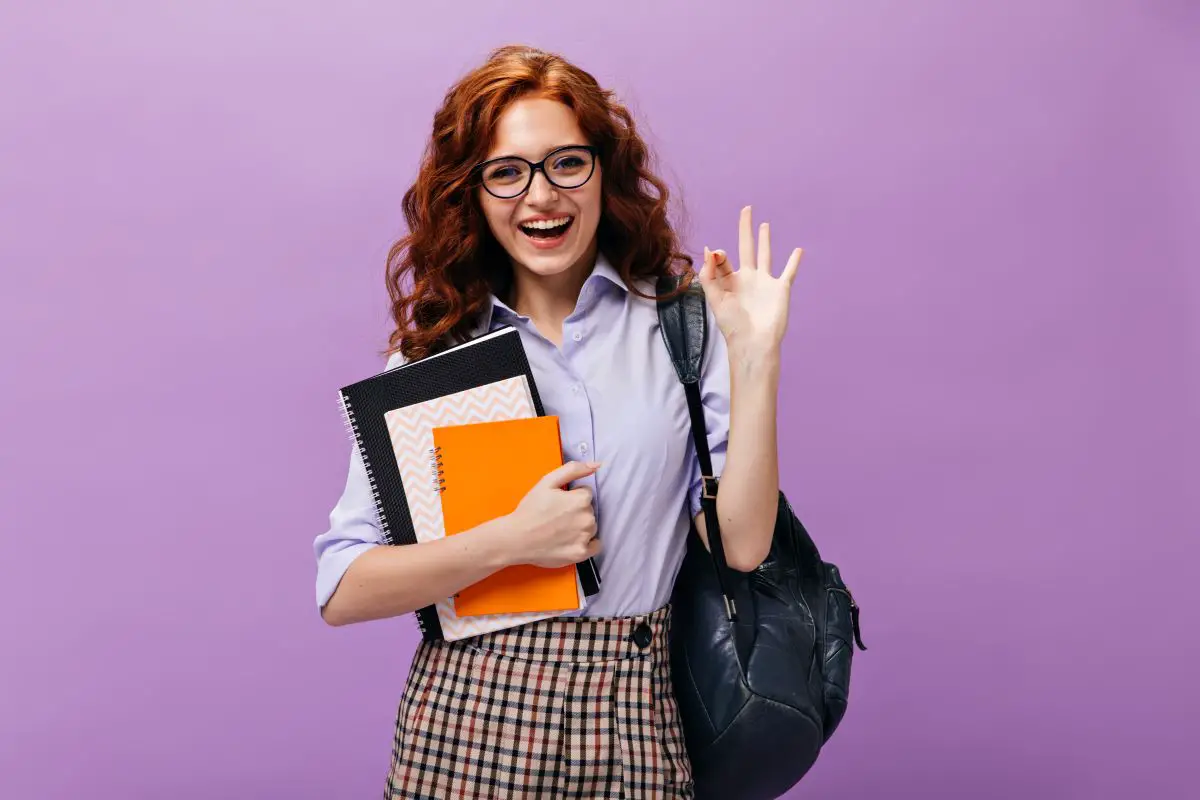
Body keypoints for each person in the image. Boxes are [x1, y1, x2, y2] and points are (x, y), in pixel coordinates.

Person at [313, 44, 803, 799]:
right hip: (471, 719)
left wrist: (757, 358)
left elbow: (740, 545)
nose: (541, 196)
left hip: (637, 714)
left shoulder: (680, 330)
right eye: (507, 172)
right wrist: (510, 542)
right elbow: (343, 587)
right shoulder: (435, 360)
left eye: (567, 162)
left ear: (604, 171)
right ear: (471, 194)